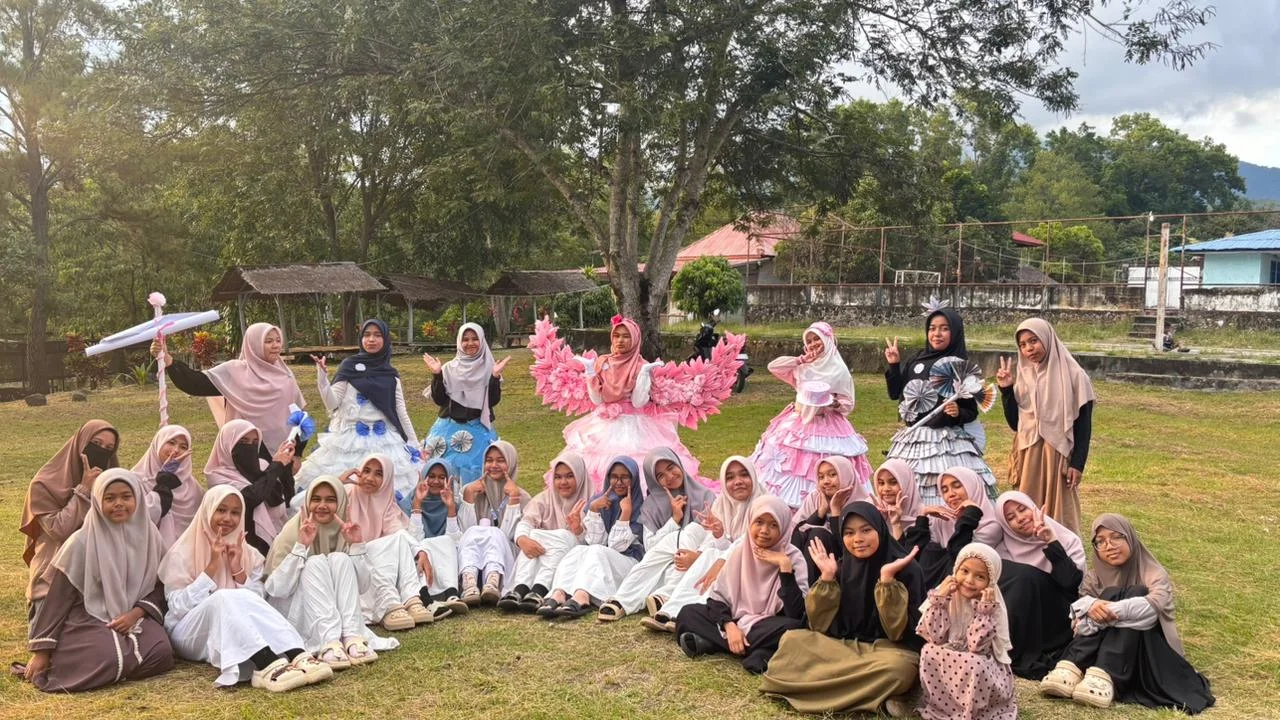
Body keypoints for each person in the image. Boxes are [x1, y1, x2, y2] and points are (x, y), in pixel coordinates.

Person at [530, 315, 741, 490]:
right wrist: (590, 372)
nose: (620, 341)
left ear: (635, 339)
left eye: (626, 336)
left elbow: (639, 402)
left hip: (638, 425)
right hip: (604, 425)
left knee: (641, 468)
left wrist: (644, 375)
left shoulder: (640, 364)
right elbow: (597, 399)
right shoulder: (602, 362)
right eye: (617, 336)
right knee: (596, 465)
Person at [158, 486, 333, 691]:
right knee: (223, 597)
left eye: (235, 513)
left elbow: (257, 604)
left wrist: (238, 569)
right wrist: (212, 567)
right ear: (208, 510)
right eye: (221, 510)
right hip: (189, 633)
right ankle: (266, 664)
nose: (228, 518)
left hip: (232, 630)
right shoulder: (182, 552)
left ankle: (297, 653)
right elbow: (178, 607)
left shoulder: (248, 554)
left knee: (233, 596)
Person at [761, 502, 924, 716]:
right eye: (849, 533)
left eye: (866, 530)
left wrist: (887, 582)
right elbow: (818, 626)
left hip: (885, 651)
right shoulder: (841, 567)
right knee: (792, 640)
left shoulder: (907, 570)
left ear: (880, 529)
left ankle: (817, 687)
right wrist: (827, 578)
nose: (858, 539)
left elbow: (898, 633)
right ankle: (878, 695)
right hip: (841, 647)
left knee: (899, 669)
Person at [1040, 514, 1215, 713]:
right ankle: (1072, 667)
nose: (1109, 546)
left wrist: (1100, 608)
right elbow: (1078, 625)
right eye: (1100, 541)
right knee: (1107, 597)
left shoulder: (1153, 572)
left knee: (1135, 592)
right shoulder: (1093, 578)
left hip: (1145, 649)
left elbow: (1152, 610)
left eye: (1116, 537)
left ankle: (1105, 674)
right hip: (1096, 649)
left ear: (1130, 537)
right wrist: (1091, 606)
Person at [19, 469, 174, 692]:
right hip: (88, 615)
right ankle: (116, 662)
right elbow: (58, 599)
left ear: (138, 499)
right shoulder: (81, 542)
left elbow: (161, 586)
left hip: (133, 615)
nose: (118, 504)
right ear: (98, 501)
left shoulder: (149, 535)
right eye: (110, 498)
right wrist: (41, 652)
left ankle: (118, 664)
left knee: (162, 651)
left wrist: (136, 613)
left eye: (126, 497)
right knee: (108, 656)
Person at [264, 476, 399, 669]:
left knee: (340, 558)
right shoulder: (292, 530)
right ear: (307, 502)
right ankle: (328, 640)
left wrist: (356, 545)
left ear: (341, 503)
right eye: (316, 499)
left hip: (332, 613)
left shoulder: (344, 531)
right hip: (294, 609)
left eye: (330, 500)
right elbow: (277, 590)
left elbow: (362, 586)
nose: (322, 506)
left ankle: (352, 636)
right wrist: (301, 546)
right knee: (315, 562)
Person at [675, 495, 809, 674]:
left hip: (767, 624)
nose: (764, 530)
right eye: (759, 522)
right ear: (750, 522)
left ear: (784, 527)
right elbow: (718, 598)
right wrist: (729, 626)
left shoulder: (793, 558)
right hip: (735, 619)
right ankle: (759, 652)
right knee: (688, 613)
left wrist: (784, 567)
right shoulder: (740, 552)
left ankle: (714, 643)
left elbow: (796, 612)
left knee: (795, 629)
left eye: (773, 525)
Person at [749, 322, 872, 507]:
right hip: (798, 422)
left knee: (824, 463)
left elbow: (848, 404)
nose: (814, 344)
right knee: (787, 463)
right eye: (810, 340)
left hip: (827, 423)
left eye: (817, 339)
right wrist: (801, 359)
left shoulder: (839, 369)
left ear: (828, 340)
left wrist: (833, 403)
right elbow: (773, 367)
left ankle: (824, 505)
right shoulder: (803, 366)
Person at [641, 455, 768, 633]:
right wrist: (718, 535)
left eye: (744, 474)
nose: (738, 481)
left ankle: (682, 611)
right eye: (730, 477)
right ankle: (672, 608)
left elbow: (748, 542)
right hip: (724, 559)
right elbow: (717, 544)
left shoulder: (765, 505)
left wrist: (720, 559)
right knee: (708, 555)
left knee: (712, 560)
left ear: (753, 476)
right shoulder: (722, 504)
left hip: (754, 568)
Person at [297, 319, 423, 498]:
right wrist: (322, 378)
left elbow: (401, 411)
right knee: (342, 492)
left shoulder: (391, 374)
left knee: (387, 490)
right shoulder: (349, 366)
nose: (371, 339)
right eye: (367, 335)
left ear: (385, 339)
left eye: (377, 335)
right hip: (349, 442)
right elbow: (332, 403)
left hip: (385, 441)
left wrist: (414, 444)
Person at [884, 307, 996, 504]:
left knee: (948, 490)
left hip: (947, 443)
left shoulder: (960, 365)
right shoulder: (916, 360)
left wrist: (957, 412)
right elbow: (895, 394)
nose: (937, 334)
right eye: (932, 328)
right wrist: (894, 365)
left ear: (955, 332)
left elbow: (971, 411)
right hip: (914, 440)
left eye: (944, 328)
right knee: (909, 489)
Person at [996, 317, 1096, 532]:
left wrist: (1078, 463)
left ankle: (1060, 547)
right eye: (1023, 345)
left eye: (1034, 341)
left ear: (1047, 338)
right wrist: (1007, 390)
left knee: (1059, 510)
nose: (1029, 349)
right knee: (1027, 509)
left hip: (1057, 453)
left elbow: (1084, 424)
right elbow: (1016, 424)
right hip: (1028, 452)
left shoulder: (1074, 375)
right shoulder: (1025, 376)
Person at [596, 448, 717, 623]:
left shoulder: (706, 496)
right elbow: (650, 547)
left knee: (690, 531)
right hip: (667, 564)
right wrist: (674, 520)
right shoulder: (651, 506)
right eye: (660, 475)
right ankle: (661, 598)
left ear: (679, 464)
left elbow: (714, 535)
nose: (670, 476)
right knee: (672, 552)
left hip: (700, 558)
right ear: (654, 480)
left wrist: (697, 555)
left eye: (671, 467)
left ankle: (623, 599)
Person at [153, 322, 306, 456]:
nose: (276, 345)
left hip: (284, 452)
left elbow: (299, 416)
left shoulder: (285, 374)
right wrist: (168, 359)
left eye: (278, 340)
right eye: (269, 341)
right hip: (246, 450)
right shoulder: (235, 372)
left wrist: (297, 454)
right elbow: (195, 383)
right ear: (254, 344)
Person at [20, 420, 119, 619]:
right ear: (80, 443)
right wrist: (84, 490)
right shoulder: (44, 484)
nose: (101, 452)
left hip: (97, 582)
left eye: (109, 449)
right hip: (52, 582)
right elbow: (59, 529)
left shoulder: (109, 484)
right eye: (96, 444)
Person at [915, 543, 1017, 720]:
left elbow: (977, 647)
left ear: (990, 581)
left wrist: (984, 611)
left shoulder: (992, 606)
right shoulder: (946, 594)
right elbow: (936, 638)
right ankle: (941, 706)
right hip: (952, 656)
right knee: (928, 651)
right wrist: (940, 600)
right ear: (956, 569)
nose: (969, 580)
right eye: (965, 571)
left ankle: (970, 712)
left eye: (980, 576)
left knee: (973, 662)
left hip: (981, 662)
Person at [993, 490, 1085, 679]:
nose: (1020, 518)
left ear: (1033, 508)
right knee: (1017, 575)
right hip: (1022, 622)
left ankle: (1014, 651)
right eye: (1011, 517)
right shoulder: (1002, 550)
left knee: (1025, 576)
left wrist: (1051, 542)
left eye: (1022, 509)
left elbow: (1072, 585)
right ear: (1005, 525)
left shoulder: (1066, 539)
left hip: (1058, 620)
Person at [542, 456, 645, 619]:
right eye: (614, 477)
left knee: (597, 551)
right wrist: (594, 510)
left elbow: (617, 546)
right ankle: (560, 592)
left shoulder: (640, 506)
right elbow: (595, 542)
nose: (619, 482)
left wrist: (625, 513)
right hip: (603, 560)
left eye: (625, 477)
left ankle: (583, 596)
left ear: (633, 479)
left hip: (629, 562)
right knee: (578, 550)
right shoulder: (601, 500)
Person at [343, 454, 435, 630]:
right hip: (349, 561)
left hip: (376, 564)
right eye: (366, 471)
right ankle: (389, 605)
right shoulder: (344, 494)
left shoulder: (386, 503)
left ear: (386, 480)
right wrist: (338, 483)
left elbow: (399, 533)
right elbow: (306, 504)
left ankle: (412, 599)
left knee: (399, 539)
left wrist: (420, 551)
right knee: (373, 550)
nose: (370, 478)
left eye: (378, 474)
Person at [498, 452, 591, 613]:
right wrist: (522, 539)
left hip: (573, 557)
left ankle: (539, 590)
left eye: (570, 476)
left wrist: (578, 530)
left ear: (580, 476)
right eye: (558, 477)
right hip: (542, 555)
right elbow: (526, 521)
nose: (563, 482)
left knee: (562, 535)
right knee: (533, 535)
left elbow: (593, 542)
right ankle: (521, 589)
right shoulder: (545, 499)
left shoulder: (591, 501)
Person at [421, 322, 507, 484]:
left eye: (475, 339)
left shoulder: (490, 367)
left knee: (477, 478)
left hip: (478, 431)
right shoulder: (449, 368)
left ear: (482, 340)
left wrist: (494, 377)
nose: (470, 343)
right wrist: (437, 374)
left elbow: (492, 401)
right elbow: (440, 400)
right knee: (443, 477)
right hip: (447, 430)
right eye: (465, 339)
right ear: (459, 342)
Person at [204, 419, 297, 555]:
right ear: (228, 443)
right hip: (240, 546)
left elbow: (282, 497)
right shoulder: (217, 476)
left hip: (275, 540)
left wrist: (285, 465)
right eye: (243, 441)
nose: (249, 447)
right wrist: (276, 466)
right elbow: (250, 497)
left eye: (254, 442)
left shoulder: (262, 465)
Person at [456, 440, 529, 605]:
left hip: (506, 562)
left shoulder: (523, 497)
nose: (494, 465)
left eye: (501, 460)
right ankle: (469, 582)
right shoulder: (472, 490)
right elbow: (466, 533)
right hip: (472, 559)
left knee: (495, 532)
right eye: (489, 460)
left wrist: (514, 501)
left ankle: (493, 580)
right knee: (475, 530)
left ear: (511, 463)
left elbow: (510, 537)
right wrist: (469, 497)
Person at [911, 467, 1005, 589]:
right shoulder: (943, 520)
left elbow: (960, 557)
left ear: (973, 486)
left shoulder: (990, 525)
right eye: (945, 490)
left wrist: (971, 513)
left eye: (957, 486)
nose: (951, 494)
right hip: (936, 590)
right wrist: (923, 516)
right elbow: (916, 556)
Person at [405, 458, 470, 616]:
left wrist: (450, 508)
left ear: (449, 480)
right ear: (423, 478)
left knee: (446, 541)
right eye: (431, 476)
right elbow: (413, 541)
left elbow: (456, 544)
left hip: (447, 566)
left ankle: (451, 594)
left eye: (442, 477)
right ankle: (426, 599)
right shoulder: (408, 504)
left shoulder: (456, 505)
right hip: (420, 564)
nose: (436, 481)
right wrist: (417, 504)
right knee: (423, 546)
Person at [791, 456, 868, 585]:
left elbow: (851, 547)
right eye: (821, 477)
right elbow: (796, 538)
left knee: (818, 534)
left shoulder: (860, 504)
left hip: (847, 565)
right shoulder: (815, 498)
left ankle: (809, 589)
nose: (826, 481)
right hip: (811, 562)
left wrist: (836, 511)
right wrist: (820, 512)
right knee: (813, 533)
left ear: (846, 475)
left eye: (832, 475)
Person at [133, 424, 203, 548]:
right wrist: (164, 481)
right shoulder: (135, 481)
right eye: (171, 443)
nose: (176, 450)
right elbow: (138, 521)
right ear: (158, 443)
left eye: (183, 447)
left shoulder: (194, 489)